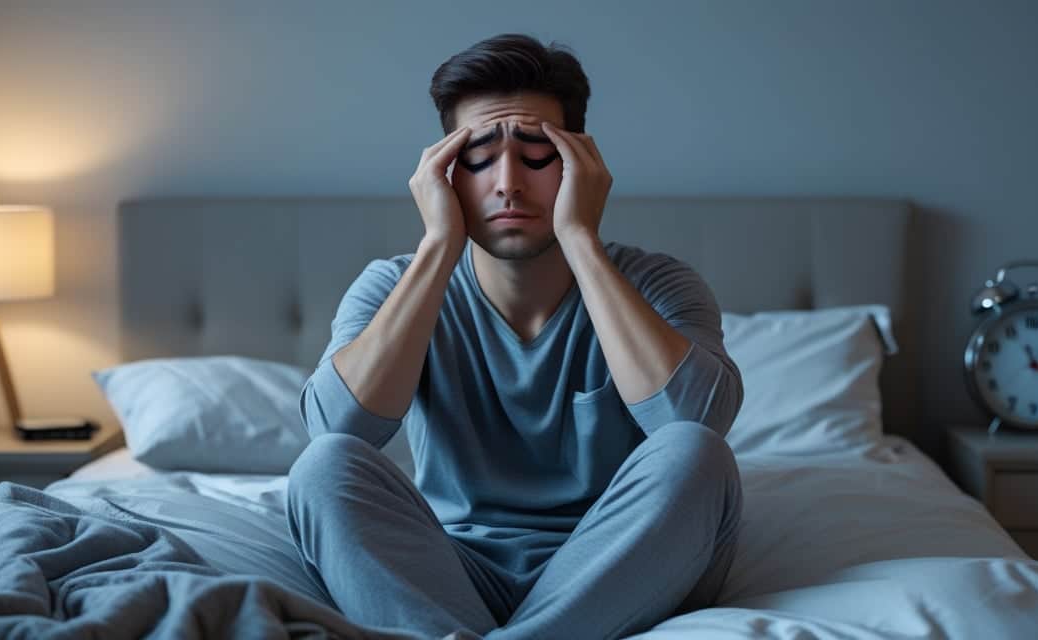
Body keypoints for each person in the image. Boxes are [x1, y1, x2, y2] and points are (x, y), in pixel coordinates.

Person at [286, 33, 744, 639]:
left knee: (696, 451)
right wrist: (437, 248)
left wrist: (581, 237)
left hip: (620, 563)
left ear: (581, 163)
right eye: (477, 157)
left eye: (536, 154)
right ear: (444, 172)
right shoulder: (394, 284)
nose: (507, 183)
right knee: (323, 464)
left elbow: (696, 417)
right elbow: (339, 427)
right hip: (456, 569)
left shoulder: (659, 283)